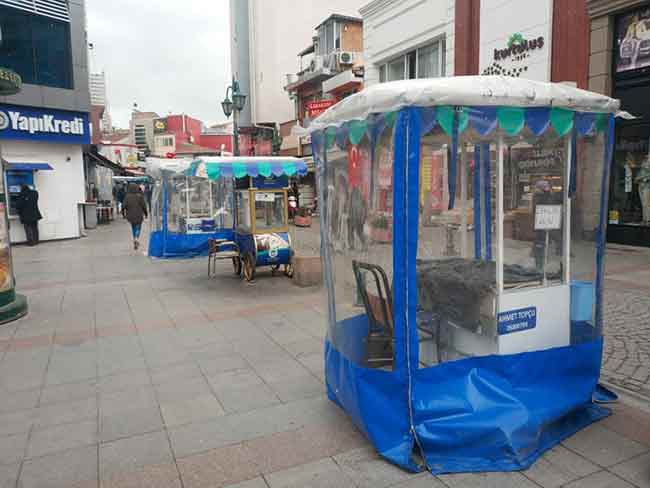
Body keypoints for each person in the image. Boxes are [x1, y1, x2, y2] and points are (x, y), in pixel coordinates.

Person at [123, 183, 148, 250]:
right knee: (138, 227)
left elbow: (123, 206)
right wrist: (146, 214)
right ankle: (136, 238)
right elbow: (144, 206)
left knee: (133, 227)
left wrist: (123, 214)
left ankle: (135, 239)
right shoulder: (140, 196)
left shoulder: (127, 196)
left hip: (130, 216)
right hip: (139, 215)